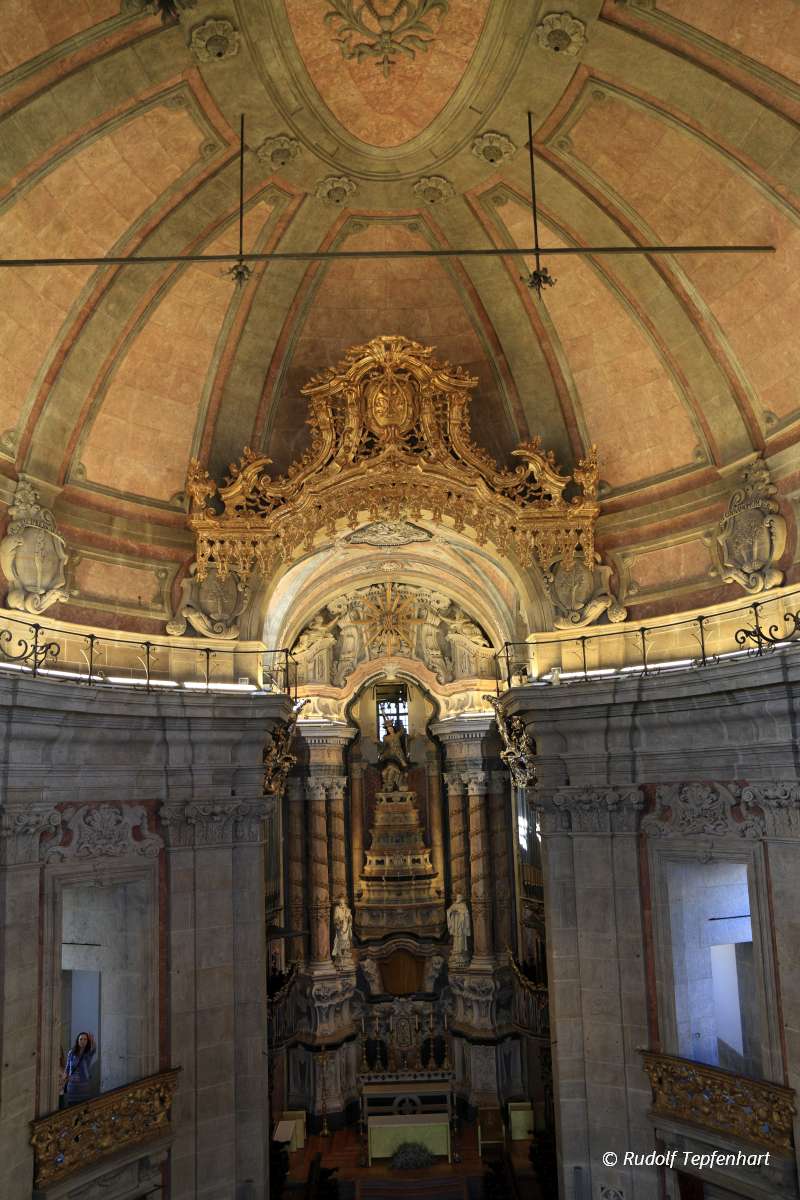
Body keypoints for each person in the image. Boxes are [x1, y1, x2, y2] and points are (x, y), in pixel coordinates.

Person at [62, 1031, 96, 1105]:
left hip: (84, 1086)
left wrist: (92, 1040)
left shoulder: (88, 1053)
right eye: (81, 1039)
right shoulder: (71, 1053)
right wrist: (64, 1076)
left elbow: (93, 1048)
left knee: (84, 1108)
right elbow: (67, 1067)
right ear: (77, 1040)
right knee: (72, 1107)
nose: (83, 1041)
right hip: (72, 1087)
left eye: (85, 1039)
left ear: (87, 1041)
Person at [446, 893, 472, 966]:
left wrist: (460, 912)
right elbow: (448, 911)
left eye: (460, 897)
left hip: (461, 924)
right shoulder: (454, 905)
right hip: (455, 923)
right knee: (456, 937)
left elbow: (466, 914)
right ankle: (456, 950)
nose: (459, 898)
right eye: (458, 897)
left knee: (461, 937)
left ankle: (461, 950)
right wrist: (452, 912)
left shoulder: (463, 905)